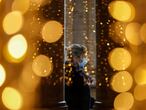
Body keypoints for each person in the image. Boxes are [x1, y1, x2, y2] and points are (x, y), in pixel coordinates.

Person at [65, 44, 94, 110]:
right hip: (75, 97)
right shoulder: (68, 66)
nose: (82, 59)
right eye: (81, 56)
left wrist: (87, 76)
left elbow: (81, 71)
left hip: (79, 97)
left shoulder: (77, 65)